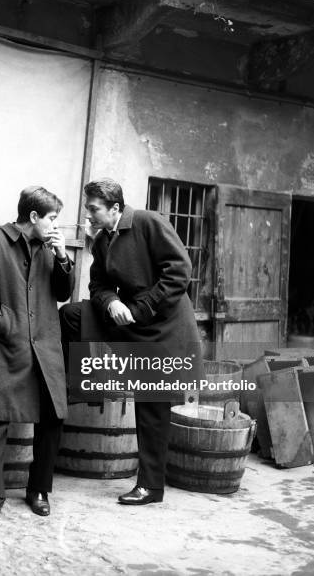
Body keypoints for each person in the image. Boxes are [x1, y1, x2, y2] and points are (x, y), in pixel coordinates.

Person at [60, 177, 201, 505]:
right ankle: (86, 381)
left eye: (94, 209)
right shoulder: (104, 239)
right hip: (130, 318)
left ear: (115, 208)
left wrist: (138, 308)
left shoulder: (149, 222)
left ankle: (151, 486)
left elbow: (180, 271)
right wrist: (112, 303)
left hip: (165, 324)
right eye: (88, 209)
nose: (88, 216)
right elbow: (98, 286)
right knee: (72, 315)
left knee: (153, 406)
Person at [0, 186, 75, 525]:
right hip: (1, 350)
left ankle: (38, 490)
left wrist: (64, 257)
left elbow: (63, 292)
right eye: (52, 218)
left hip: (44, 349)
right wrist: (9, 324)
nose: (57, 226)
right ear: (34, 216)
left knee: (52, 418)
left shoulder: (50, 248)